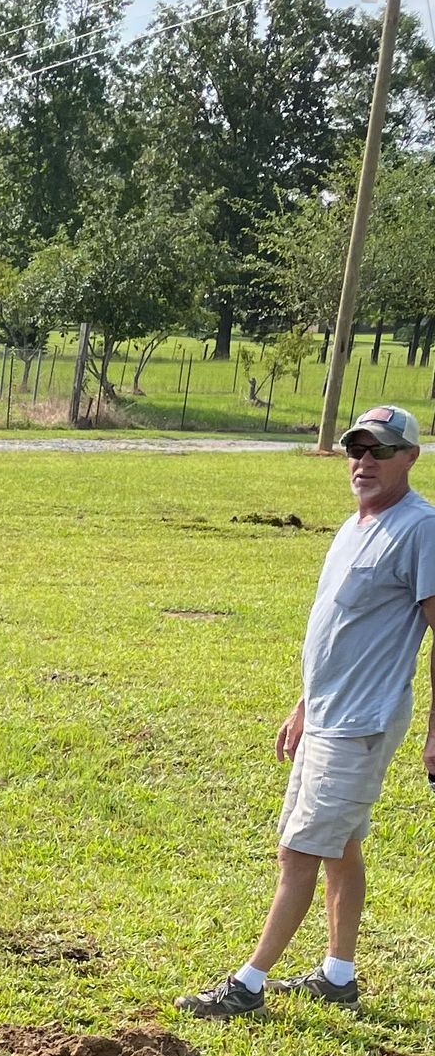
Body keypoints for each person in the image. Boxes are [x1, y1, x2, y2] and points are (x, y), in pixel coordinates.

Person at [179, 403, 435, 1018]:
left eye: (379, 450)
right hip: (326, 714)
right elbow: (340, 630)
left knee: (300, 851)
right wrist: (303, 704)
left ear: (410, 457)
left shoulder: (421, 527)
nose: (364, 461)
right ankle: (337, 975)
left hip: (362, 721)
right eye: (357, 449)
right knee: (338, 845)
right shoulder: (356, 525)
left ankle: (247, 984)